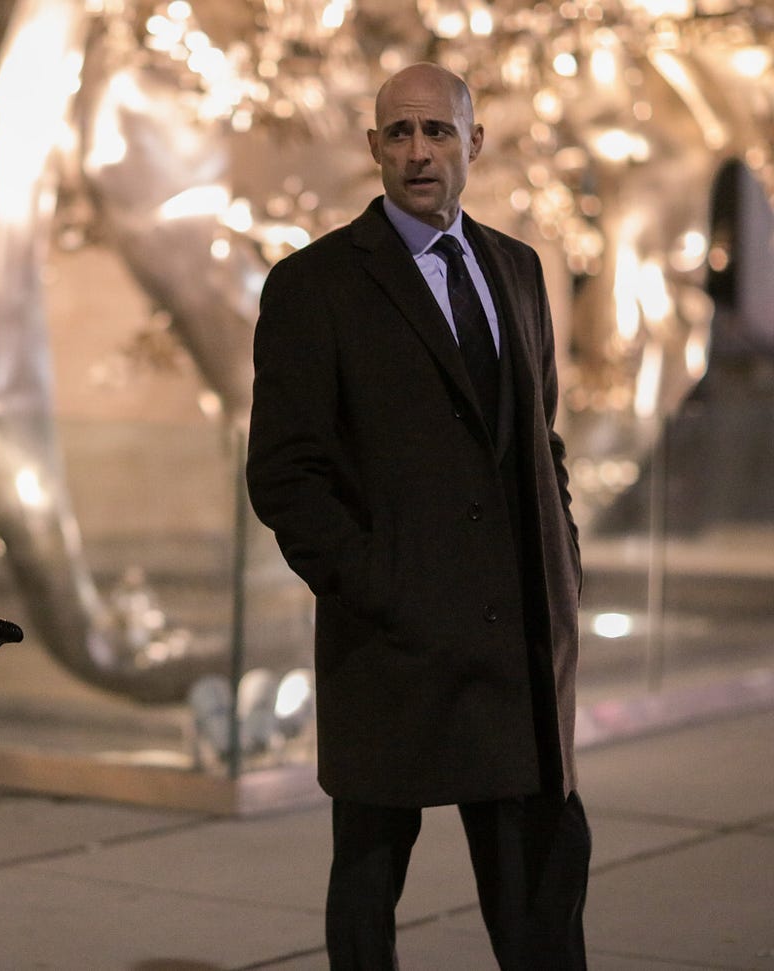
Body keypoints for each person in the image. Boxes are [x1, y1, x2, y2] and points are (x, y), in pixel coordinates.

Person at [245, 64, 590, 969]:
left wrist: (564, 564)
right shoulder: (314, 284)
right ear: (373, 148)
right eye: (398, 133)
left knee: (543, 895)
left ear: (474, 143)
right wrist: (379, 586)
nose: (418, 152)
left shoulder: (517, 268)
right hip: (390, 645)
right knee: (369, 889)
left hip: (518, 650)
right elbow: (285, 474)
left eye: (437, 131)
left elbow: (541, 441)